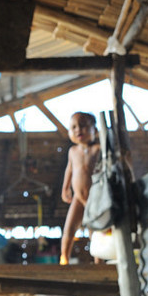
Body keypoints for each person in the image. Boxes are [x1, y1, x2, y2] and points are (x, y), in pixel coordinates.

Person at [60, 112, 101, 265]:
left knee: (95, 231)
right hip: (78, 196)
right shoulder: (72, 151)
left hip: (94, 197)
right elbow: (69, 170)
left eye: (83, 126)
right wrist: (65, 188)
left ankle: (98, 261)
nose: (78, 130)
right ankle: (64, 258)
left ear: (94, 130)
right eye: (73, 127)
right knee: (69, 228)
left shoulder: (98, 149)